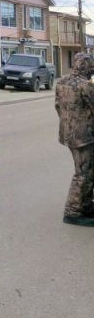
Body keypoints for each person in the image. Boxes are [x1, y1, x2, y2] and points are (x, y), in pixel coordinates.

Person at [54, 52, 94, 226]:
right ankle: (73, 211)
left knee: (88, 171)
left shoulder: (61, 82)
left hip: (68, 135)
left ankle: (86, 205)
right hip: (84, 136)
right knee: (83, 173)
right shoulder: (85, 86)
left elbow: (57, 106)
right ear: (87, 67)